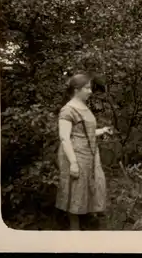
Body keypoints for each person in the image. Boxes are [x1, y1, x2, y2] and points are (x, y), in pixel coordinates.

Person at [56, 73, 113, 230]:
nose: (90, 91)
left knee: (91, 185)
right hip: (75, 154)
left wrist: (102, 130)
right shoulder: (67, 110)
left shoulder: (84, 107)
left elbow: (85, 132)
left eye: (90, 88)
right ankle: (75, 228)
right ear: (76, 89)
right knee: (75, 189)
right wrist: (73, 163)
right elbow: (65, 138)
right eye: (87, 88)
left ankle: (88, 220)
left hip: (90, 153)